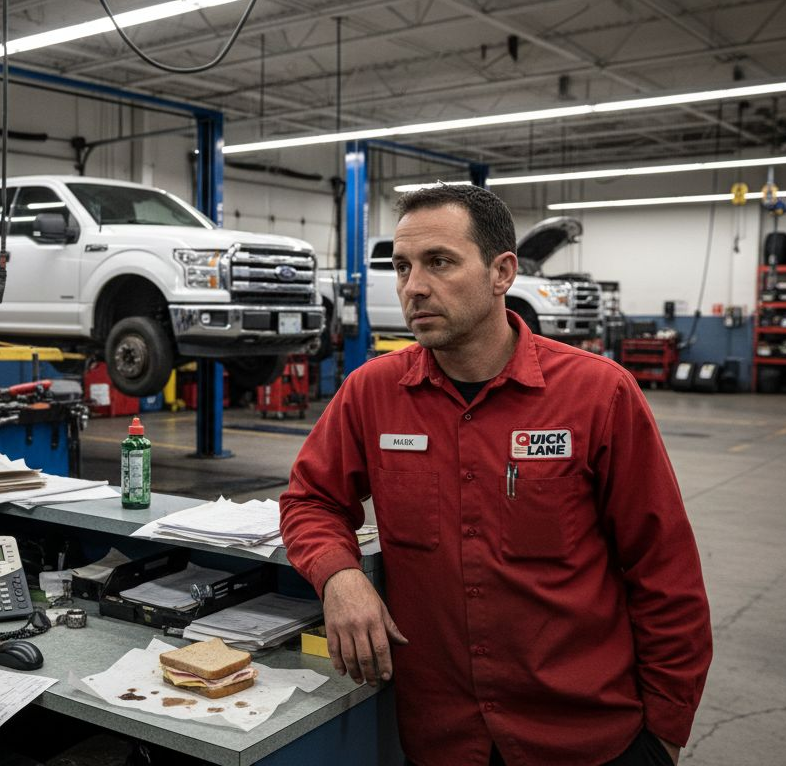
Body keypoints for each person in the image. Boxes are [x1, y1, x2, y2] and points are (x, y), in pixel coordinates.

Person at [279, 184, 711, 766]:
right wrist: (339, 577)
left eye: (439, 262)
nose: (414, 287)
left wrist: (664, 733)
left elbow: (664, 570)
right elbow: (310, 499)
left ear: (501, 272)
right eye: (403, 267)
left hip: (587, 739)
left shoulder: (598, 395)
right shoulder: (371, 393)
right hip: (444, 739)